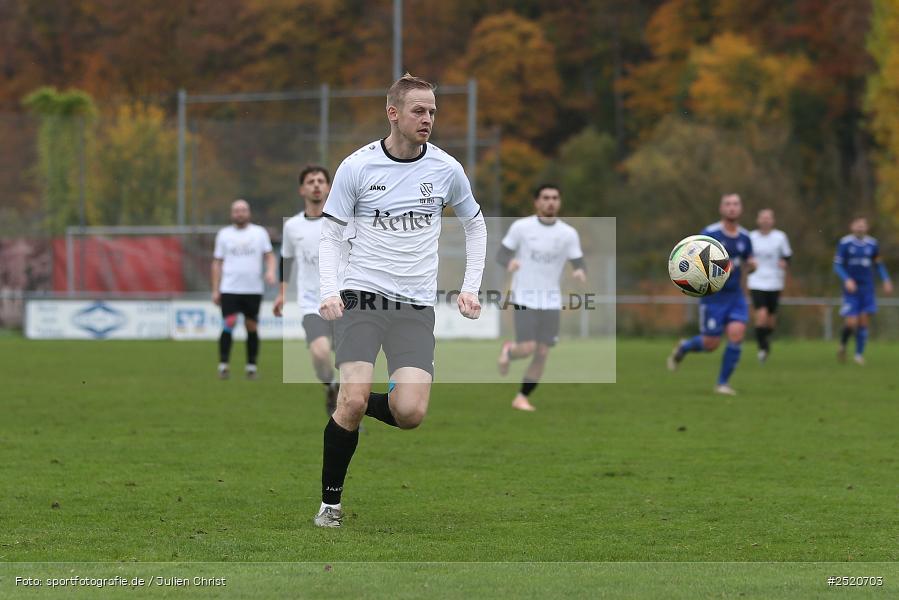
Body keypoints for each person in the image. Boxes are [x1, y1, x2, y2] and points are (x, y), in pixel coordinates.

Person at [313, 73, 488, 527]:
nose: (428, 118)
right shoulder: (357, 166)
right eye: (418, 110)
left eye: (432, 111)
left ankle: (352, 399)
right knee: (353, 401)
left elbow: (475, 224)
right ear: (393, 113)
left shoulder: (446, 169)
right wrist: (329, 291)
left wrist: (470, 286)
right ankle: (330, 505)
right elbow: (330, 234)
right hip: (362, 297)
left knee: (409, 414)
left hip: (414, 306)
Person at [495, 184, 586, 411]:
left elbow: (578, 261)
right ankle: (509, 350)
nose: (550, 202)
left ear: (559, 202)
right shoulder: (521, 227)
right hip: (524, 297)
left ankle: (521, 397)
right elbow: (501, 254)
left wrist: (579, 271)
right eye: (545, 197)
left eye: (555, 197)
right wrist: (509, 262)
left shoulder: (568, 234)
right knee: (527, 348)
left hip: (551, 301)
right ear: (536, 202)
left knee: (542, 352)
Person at [667, 194, 756, 395]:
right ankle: (685, 347)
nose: (732, 207)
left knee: (737, 333)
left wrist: (752, 266)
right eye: (728, 204)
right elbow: (694, 260)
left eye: (735, 204)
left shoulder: (745, 237)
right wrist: (719, 269)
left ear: (741, 208)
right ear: (721, 208)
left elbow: (749, 261)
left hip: (735, 296)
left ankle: (722, 383)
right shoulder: (710, 234)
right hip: (714, 297)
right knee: (710, 344)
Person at [274, 165, 339, 413]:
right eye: (311, 181)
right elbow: (286, 260)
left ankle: (348, 414)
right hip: (312, 303)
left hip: (343, 301)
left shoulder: (341, 221)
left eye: (321, 180)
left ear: (329, 187)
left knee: (351, 363)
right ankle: (331, 386)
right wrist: (281, 294)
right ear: (302, 190)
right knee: (320, 354)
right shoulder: (292, 226)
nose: (316, 185)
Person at [211, 199, 276, 380]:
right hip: (229, 288)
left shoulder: (259, 233)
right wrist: (215, 289)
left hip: (253, 289)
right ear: (232, 214)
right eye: (236, 210)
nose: (240, 213)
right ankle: (223, 365)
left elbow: (269, 256)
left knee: (251, 325)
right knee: (229, 322)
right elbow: (217, 263)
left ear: (249, 213)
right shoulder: (224, 234)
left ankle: (251, 367)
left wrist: (270, 271)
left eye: (243, 210)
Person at [834, 217, 893, 365]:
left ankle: (858, 355)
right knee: (851, 322)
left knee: (863, 321)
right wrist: (847, 279)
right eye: (857, 225)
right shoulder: (845, 243)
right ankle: (843, 345)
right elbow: (837, 266)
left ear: (867, 227)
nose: (860, 228)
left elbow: (879, 264)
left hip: (867, 289)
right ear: (852, 226)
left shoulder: (872, 244)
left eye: (863, 225)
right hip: (851, 290)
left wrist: (886, 280)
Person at [747, 209, 792, 362]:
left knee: (771, 321)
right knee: (761, 315)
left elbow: (788, 256)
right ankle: (762, 348)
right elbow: (746, 256)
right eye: (763, 218)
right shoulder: (751, 237)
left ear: (773, 221)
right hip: (756, 280)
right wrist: (749, 263)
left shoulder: (780, 237)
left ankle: (764, 340)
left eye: (768, 218)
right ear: (758, 220)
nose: (765, 221)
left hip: (775, 281)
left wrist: (785, 262)